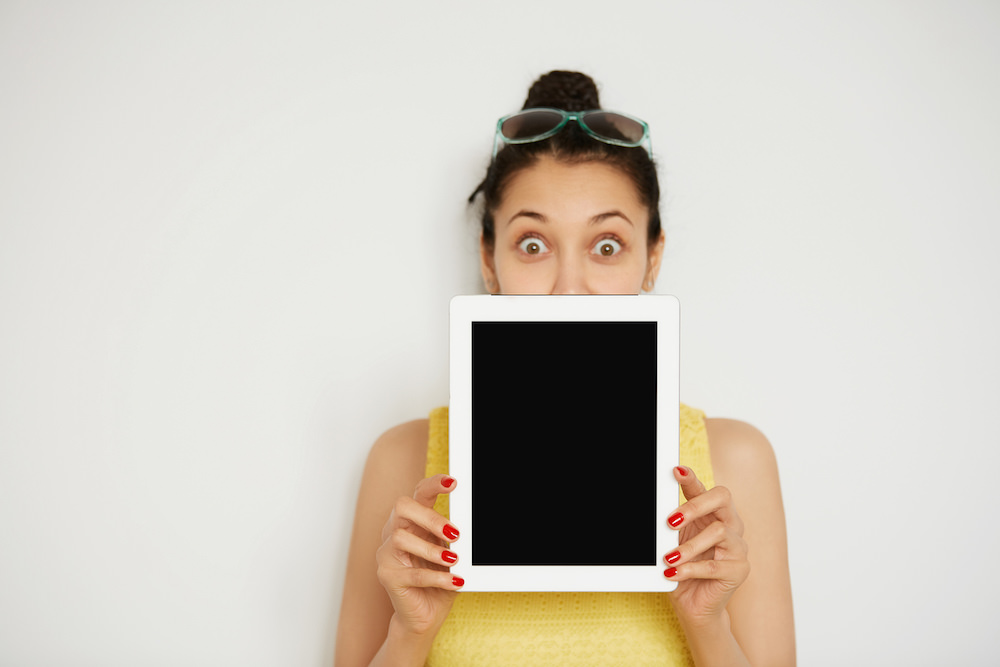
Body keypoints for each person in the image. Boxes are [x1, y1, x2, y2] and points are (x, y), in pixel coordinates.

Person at [335, 71, 795, 666]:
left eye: (607, 245)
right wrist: (410, 633)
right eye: (533, 244)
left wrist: (707, 623)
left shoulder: (733, 461)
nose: (570, 290)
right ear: (489, 260)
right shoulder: (405, 459)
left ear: (652, 259)